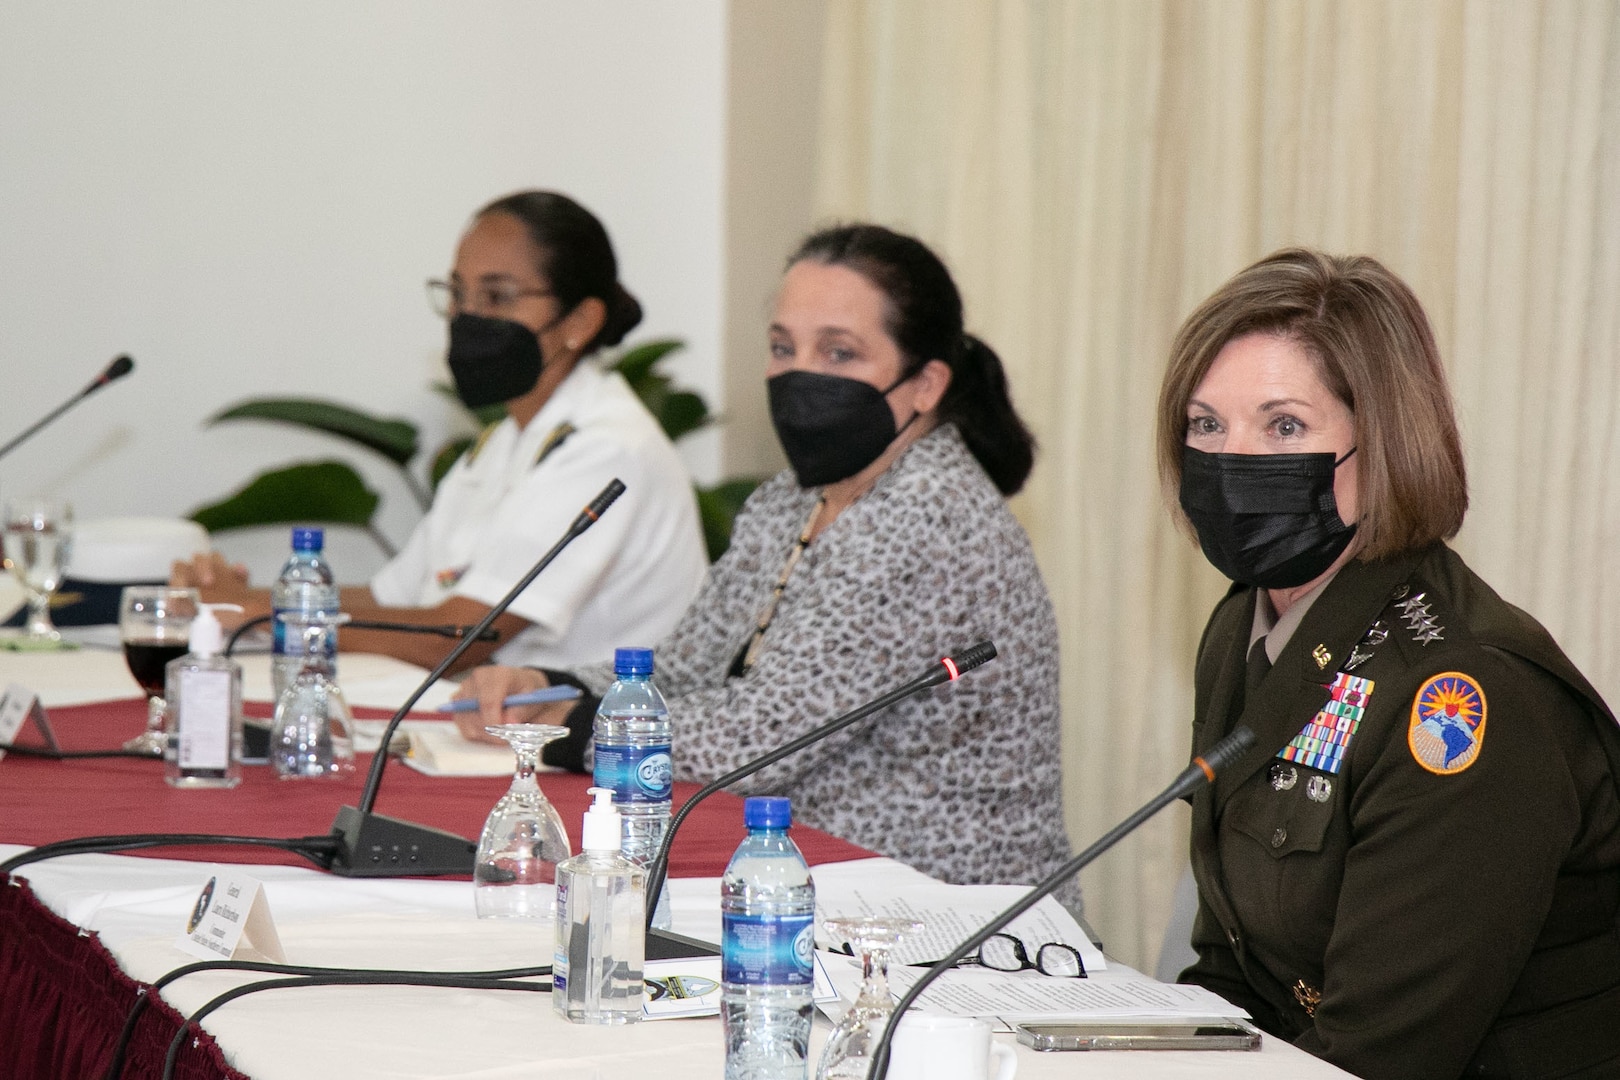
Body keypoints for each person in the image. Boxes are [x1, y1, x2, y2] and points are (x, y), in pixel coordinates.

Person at [457, 223, 1075, 897]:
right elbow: (689, 666)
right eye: (784, 348)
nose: (799, 374)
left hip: (941, 915)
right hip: (811, 879)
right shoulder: (793, 498)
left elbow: (760, 738)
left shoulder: (930, 517)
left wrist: (568, 729)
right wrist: (548, 684)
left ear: (925, 384)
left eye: (839, 352)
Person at [1160, 248, 1620, 1079]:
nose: (1232, 463)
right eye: (1206, 425)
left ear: (1384, 447)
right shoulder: (1244, 626)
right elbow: (1234, 973)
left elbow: (1382, 1056)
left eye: (1285, 426)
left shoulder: (1466, 692)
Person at [174, 191, 708, 673]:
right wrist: (252, 601)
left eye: (497, 296)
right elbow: (392, 600)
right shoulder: (503, 443)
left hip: (598, 752)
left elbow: (459, 636)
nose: (466, 316)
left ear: (580, 322)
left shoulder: (607, 446)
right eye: (456, 293)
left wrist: (270, 615)